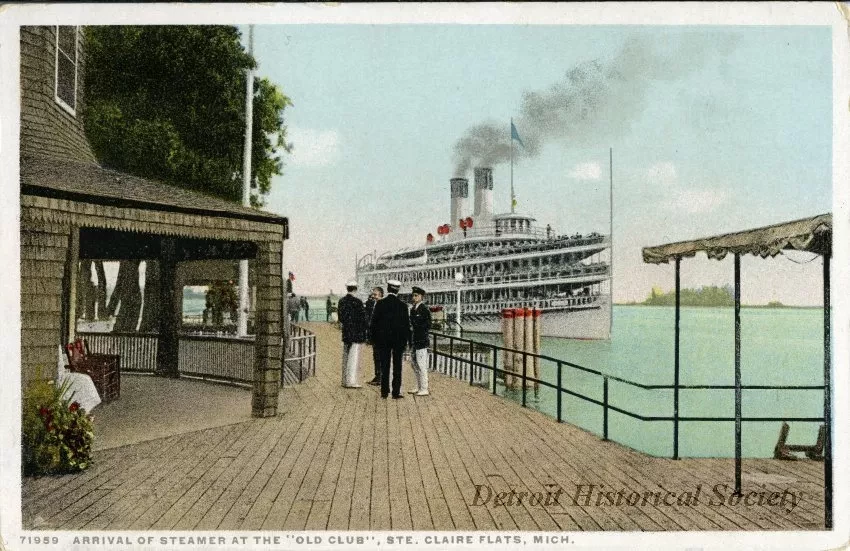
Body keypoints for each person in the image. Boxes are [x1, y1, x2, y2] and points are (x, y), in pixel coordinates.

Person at [369, 279, 410, 399]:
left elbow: (374, 323)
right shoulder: (403, 306)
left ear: (387, 289)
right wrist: (406, 342)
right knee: (397, 366)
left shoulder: (380, 304)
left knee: (384, 365)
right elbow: (406, 327)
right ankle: (396, 392)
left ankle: (384, 391)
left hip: (383, 341)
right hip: (398, 341)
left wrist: (374, 339)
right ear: (398, 290)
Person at [338, 281, 367, 388]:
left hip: (346, 332)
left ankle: (344, 380)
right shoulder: (358, 302)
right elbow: (363, 319)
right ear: (355, 289)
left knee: (345, 356)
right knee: (353, 357)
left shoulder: (342, 301)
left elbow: (341, 318)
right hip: (356, 333)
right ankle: (351, 381)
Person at [408, 286, 432, 396]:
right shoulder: (413, 309)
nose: (414, 297)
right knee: (414, 364)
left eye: (416, 295)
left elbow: (427, 325)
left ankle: (424, 388)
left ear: (421, 297)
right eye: (413, 295)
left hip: (421, 341)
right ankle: (418, 386)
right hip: (414, 341)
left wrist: (415, 327)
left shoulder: (424, 309)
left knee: (422, 365)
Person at [364, 286, 384, 386]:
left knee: (379, 357)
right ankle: (377, 376)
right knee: (376, 356)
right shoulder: (374, 304)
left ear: (381, 295)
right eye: (373, 294)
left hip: (381, 336)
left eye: (375, 295)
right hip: (375, 336)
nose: (373, 296)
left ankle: (380, 378)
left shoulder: (383, 305)